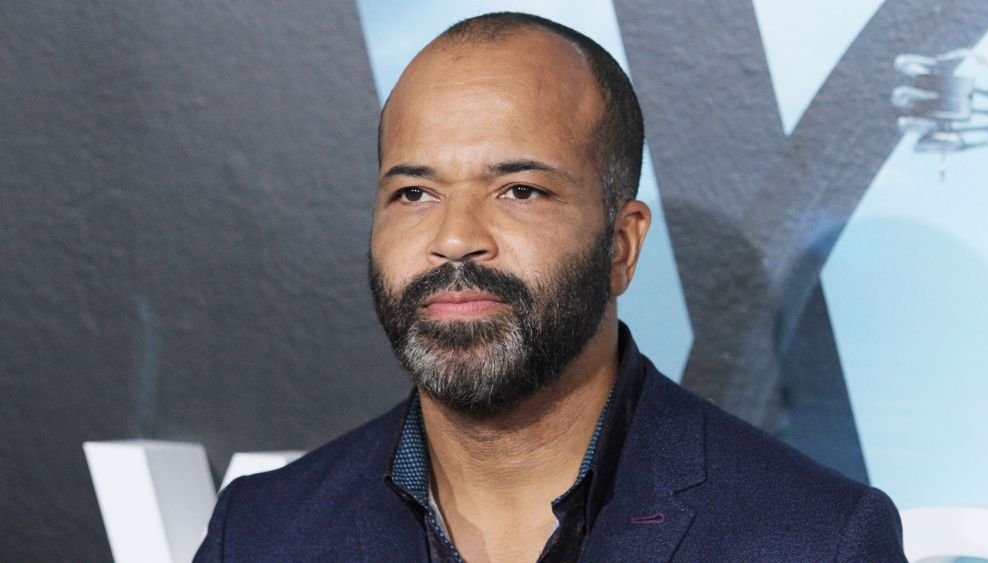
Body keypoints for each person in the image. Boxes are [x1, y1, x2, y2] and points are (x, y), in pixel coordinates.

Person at [195, 12, 905, 562]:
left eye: (520, 190)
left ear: (621, 244)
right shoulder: (262, 531)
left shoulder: (813, 538)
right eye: (414, 193)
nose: (455, 237)